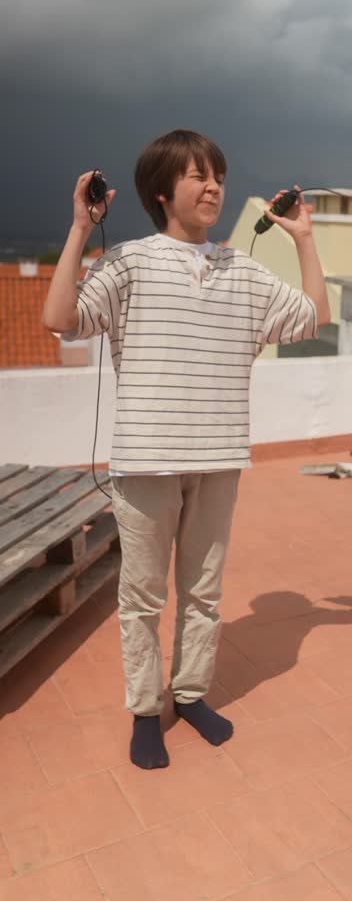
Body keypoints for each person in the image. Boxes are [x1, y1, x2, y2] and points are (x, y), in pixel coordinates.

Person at [41, 129, 330, 770]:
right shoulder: (127, 262)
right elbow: (60, 318)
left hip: (219, 457)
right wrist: (78, 230)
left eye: (217, 175)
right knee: (142, 597)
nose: (213, 187)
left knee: (204, 593)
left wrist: (304, 239)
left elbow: (314, 317)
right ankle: (146, 711)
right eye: (198, 175)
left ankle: (191, 694)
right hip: (145, 461)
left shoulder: (244, 271)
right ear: (162, 191)